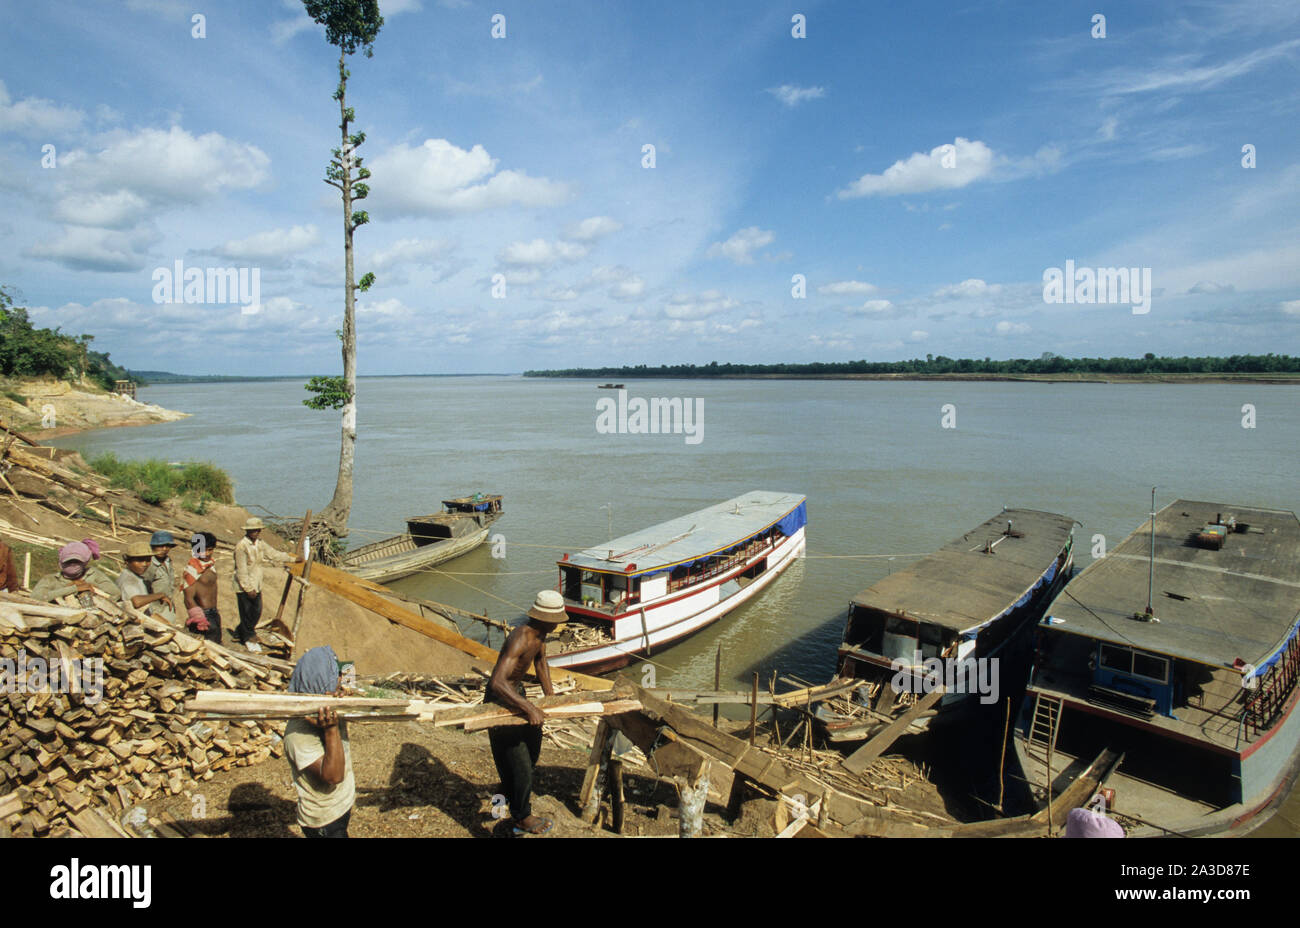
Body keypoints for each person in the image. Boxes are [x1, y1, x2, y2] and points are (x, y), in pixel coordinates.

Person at [486, 589, 567, 836]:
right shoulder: (521, 637)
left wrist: (550, 698)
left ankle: (499, 805)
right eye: (556, 619)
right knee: (519, 763)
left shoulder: (540, 637)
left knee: (527, 761)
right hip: (500, 701)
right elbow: (497, 682)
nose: (559, 623)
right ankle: (521, 817)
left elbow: (541, 664)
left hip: (517, 695)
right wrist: (529, 707)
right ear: (544, 618)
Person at [282, 645, 354, 838]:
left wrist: (345, 688)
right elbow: (334, 777)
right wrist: (330, 730)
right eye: (335, 680)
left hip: (342, 804)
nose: (341, 681)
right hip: (324, 820)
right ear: (321, 687)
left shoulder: (331, 704)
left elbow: (349, 667)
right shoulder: (297, 735)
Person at [232, 517, 298, 650]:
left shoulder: (260, 543)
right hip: (244, 584)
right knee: (246, 612)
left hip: (256, 582)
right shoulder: (241, 547)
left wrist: (292, 559)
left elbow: (273, 554)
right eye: (253, 530)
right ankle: (248, 636)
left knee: (256, 610)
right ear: (248, 531)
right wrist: (247, 588)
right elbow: (241, 569)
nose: (256, 533)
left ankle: (241, 631)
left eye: (257, 530)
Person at [32, 540, 120, 605]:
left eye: (77, 562)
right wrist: (74, 588)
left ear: (85, 562)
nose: (72, 565)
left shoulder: (93, 574)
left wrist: (89, 586)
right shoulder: (50, 579)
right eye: (68, 562)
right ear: (61, 562)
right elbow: (36, 598)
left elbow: (115, 594)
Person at [181, 532, 221, 643]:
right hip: (203, 615)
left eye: (210, 549)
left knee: (216, 645)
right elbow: (188, 598)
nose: (207, 553)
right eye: (203, 550)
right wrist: (198, 617)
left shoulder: (210, 565)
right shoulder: (192, 570)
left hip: (214, 613)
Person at [117, 541, 173, 617]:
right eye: (139, 560)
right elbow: (137, 602)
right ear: (127, 562)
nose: (144, 564)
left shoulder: (136, 576)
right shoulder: (128, 579)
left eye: (148, 560)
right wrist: (160, 595)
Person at [142, 531, 178, 619]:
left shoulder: (168, 561)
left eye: (167, 546)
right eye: (161, 546)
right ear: (153, 546)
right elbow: (143, 588)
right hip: (154, 609)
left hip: (167, 605)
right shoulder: (149, 564)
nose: (164, 549)